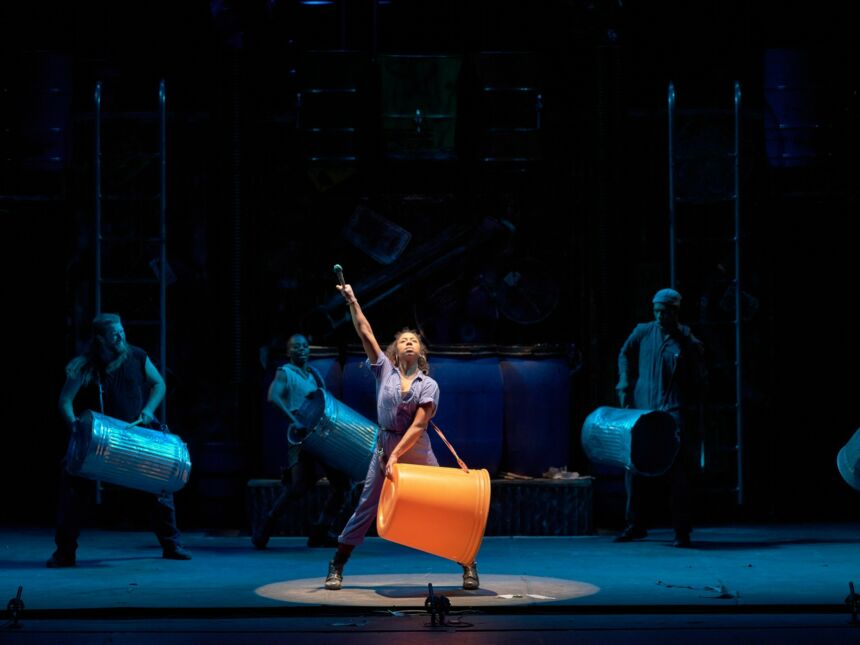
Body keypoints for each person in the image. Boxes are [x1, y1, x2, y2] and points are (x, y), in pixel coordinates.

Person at [323, 282, 479, 591]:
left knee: (440, 505)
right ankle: (337, 565)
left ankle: (468, 564)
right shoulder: (383, 370)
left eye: (414, 340)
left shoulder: (428, 384)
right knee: (366, 506)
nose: (408, 342)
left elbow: (419, 426)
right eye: (403, 340)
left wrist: (395, 456)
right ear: (396, 350)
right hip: (384, 445)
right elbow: (366, 333)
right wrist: (352, 300)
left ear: (420, 352)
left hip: (415, 448)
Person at [47, 313, 192, 567]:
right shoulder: (85, 366)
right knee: (69, 478)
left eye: (122, 331)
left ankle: (171, 544)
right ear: (100, 339)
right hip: (99, 443)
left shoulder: (137, 356)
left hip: (136, 438)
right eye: (115, 333)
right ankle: (65, 552)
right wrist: (75, 427)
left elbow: (159, 384)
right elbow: (64, 401)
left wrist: (148, 410)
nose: (121, 336)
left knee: (162, 483)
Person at [614, 288, 706, 548]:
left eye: (664, 312)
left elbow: (699, 376)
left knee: (678, 472)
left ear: (675, 312)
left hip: (672, 413)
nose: (659, 316)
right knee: (635, 468)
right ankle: (635, 525)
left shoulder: (685, 340)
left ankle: (682, 530)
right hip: (644, 412)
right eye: (656, 311)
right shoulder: (643, 332)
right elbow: (624, 353)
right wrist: (624, 383)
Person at [252, 333, 354, 549]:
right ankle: (264, 529)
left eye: (304, 346)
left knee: (341, 484)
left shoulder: (314, 375)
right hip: (301, 438)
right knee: (297, 487)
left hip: (321, 436)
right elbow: (273, 397)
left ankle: (320, 531)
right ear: (289, 352)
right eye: (296, 347)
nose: (301, 350)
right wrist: (294, 420)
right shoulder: (285, 372)